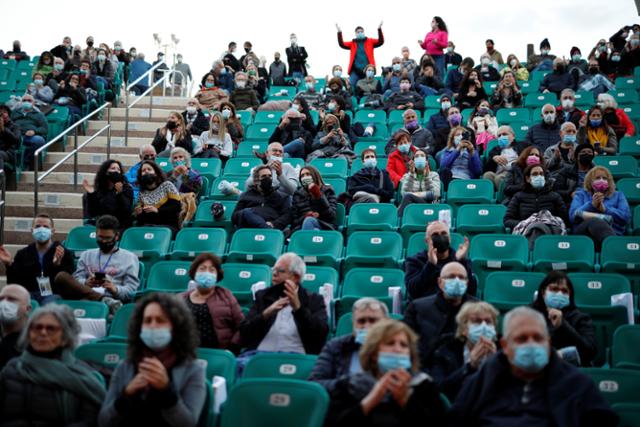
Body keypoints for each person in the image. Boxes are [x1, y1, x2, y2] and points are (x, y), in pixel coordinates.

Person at [449, 306, 618, 426]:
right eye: (521, 339)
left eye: (538, 338)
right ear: (505, 345)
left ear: (548, 342)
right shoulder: (485, 378)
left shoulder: (577, 383)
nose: (531, 344)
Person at [99, 293, 206, 427]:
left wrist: (165, 390)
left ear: (175, 327)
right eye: (147, 320)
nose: (153, 325)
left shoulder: (193, 369)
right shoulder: (125, 366)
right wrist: (126, 395)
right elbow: (104, 421)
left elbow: (188, 423)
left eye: (160, 320)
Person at [325, 319, 446, 427]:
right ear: (373, 353)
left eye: (403, 345)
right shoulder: (351, 386)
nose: (398, 349)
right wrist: (371, 400)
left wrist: (405, 399)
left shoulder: (424, 386)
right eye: (390, 343)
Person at [0, 304, 106, 425]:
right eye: (37, 327)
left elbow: (90, 421)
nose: (43, 333)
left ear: (66, 336)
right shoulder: (12, 370)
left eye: (51, 328)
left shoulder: (83, 375)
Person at [240, 253, 329, 355]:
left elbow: (320, 335)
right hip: (261, 355)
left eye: (280, 271)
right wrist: (266, 314)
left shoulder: (314, 300)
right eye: (274, 269)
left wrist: (298, 309)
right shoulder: (263, 296)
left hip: (297, 357)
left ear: (295, 277)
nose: (274, 273)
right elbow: (244, 333)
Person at [53, 215, 138, 309]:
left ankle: (105, 301)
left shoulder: (129, 258)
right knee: (61, 277)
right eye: (100, 237)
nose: (104, 241)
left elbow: (131, 291)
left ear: (117, 236)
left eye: (108, 238)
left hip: (113, 299)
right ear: (96, 234)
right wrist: (86, 282)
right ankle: (103, 299)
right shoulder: (86, 255)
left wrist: (114, 288)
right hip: (87, 296)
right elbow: (76, 279)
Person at [404, 261, 477, 367]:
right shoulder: (418, 308)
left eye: (461, 277)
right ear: (440, 282)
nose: (457, 281)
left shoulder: (477, 309)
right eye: (451, 277)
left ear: (467, 283)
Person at [310, 297, 389, 392]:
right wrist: (344, 384)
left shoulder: (397, 347)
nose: (367, 326)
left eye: (373, 321)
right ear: (353, 324)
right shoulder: (335, 346)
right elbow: (315, 383)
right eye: (361, 321)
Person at [426, 301, 499, 401]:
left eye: (488, 321)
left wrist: (497, 365)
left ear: (494, 328)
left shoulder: (506, 352)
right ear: (464, 329)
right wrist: (469, 367)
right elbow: (439, 388)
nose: (483, 326)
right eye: (477, 321)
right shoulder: (445, 351)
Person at [0, 214, 73, 304]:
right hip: (29, 294)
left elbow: (68, 284)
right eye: (38, 226)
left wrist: (56, 265)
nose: (41, 229)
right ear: (32, 230)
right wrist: (9, 264)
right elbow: (14, 284)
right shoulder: (23, 254)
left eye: (46, 226)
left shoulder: (63, 253)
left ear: (52, 231)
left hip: (53, 295)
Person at [531, 271, 597, 366]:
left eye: (564, 291)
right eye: (554, 289)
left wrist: (563, 325)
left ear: (570, 296)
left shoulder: (581, 318)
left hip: (568, 370)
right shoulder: (528, 314)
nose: (559, 294)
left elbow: (590, 351)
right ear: (543, 292)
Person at [181, 253, 243, 352]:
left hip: (220, 353)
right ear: (194, 273)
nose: (207, 273)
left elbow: (242, 326)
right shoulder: (181, 299)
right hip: (187, 354)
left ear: (217, 275)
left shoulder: (226, 296)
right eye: (202, 268)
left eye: (212, 270)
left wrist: (232, 348)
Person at [404, 221, 474, 300]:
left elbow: (471, 290)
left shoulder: (461, 260)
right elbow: (413, 291)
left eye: (444, 233)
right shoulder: (415, 261)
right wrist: (430, 265)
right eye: (435, 235)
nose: (440, 237)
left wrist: (461, 261)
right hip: (426, 307)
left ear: (449, 238)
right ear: (427, 241)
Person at [504, 164, 568, 247]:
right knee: (535, 228)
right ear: (527, 179)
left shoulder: (554, 196)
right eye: (535, 174)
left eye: (541, 174)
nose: (539, 176)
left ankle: (533, 254)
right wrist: (528, 223)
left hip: (551, 230)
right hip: (526, 231)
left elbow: (564, 219)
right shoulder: (518, 196)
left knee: (538, 227)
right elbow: (507, 220)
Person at [569, 166, 631, 251]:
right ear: (591, 181)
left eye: (604, 178)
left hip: (614, 233)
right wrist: (592, 205)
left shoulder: (618, 195)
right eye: (597, 178)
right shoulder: (581, 194)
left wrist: (605, 210)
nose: (601, 180)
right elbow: (573, 216)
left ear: (609, 182)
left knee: (595, 219)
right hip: (585, 236)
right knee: (594, 220)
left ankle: (613, 247)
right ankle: (617, 250)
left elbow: (625, 218)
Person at [232, 165, 291, 230]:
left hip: (273, 227)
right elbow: (234, 216)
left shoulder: (281, 196)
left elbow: (287, 215)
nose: (267, 178)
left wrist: (274, 223)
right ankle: (267, 229)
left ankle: (267, 229)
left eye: (270, 176)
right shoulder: (245, 196)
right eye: (264, 176)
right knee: (246, 212)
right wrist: (250, 213)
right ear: (256, 181)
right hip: (250, 229)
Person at [83, 159, 134, 229]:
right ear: (105, 172)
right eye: (113, 168)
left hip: (120, 226)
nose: (116, 171)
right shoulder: (100, 190)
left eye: (118, 169)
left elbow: (126, 212)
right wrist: (91, 194)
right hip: (102, 225)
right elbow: (93, 213)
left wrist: (120, 194)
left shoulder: (127, 188)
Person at [134, 161, 182, 232]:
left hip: (168, 227)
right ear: (140, 176)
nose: (146, 171)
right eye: (143, 171)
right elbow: (141, 220)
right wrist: (139, 214)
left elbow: (177, 207)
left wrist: (158, 210)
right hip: (148, 227)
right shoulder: (141, 193)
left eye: (149, 169)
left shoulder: (167, 185)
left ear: (156, 173)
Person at [337, 22, 385, 89]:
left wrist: (379, 29)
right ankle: (353, 99)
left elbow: (380, 41)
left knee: (370, 87)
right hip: (355, 70)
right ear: (355, 34)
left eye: (361, 31)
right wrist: (339, 32)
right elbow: (342, 44)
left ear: (364, 32)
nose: (360, 33)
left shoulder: (370, 41)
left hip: (368, 70)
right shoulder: (352, 43)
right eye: (358, 32)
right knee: (351, 86)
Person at [290, 165, 337, 231]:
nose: (305, 177)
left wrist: (318, 196)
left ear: (315, 175)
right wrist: (306, 216)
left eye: (308, 174)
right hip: (301, 227)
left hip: (324, 225)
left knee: (310, 222)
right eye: (302, 176)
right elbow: (294, 221)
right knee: (313, 227)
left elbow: (331, 217)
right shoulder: (298, 194)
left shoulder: (327, 190)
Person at [397, 149, 441, 216]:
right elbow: (404, 193)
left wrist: (427, 176)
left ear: (426, 161)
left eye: (422, 156)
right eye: (417, 156)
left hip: (428, 207)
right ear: (413, 161)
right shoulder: (407, 176)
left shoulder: (434, 175)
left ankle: (397, 220)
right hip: (412, 206)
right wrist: (411, 175)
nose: (419, 158)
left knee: (409, 196)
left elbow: (436, 194)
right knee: (408, 197)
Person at [483, 125, 527, 190]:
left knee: (499, 178)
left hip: (514, 173)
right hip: (498, 172)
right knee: (487, 175)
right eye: (499, 136)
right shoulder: (494, 150)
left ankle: (504, 198)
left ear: (513, 136)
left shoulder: (523, 145)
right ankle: (492, 197)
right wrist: (493, 158)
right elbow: (486, 169)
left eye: (504, 134)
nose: (502, 137)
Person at [11, 94, 47, 170]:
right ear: (20, 102)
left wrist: (34, 131)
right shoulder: (14, 113)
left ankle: (28, 163)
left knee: (39, 140)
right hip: (16, 136)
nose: (26, 102)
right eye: (24, 100)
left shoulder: (39, 114)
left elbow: (44, 128)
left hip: (30, 137)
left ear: (33, 103)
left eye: (29, 100)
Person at [439, 126, 482, 190]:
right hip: (451, 179)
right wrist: (457, 150)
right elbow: (443, 166)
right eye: (457, 135)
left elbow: (478, 171)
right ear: (453, 139)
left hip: (466, 180)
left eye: (462, 135)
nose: (460, 137)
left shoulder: (473, 151)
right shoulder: (448, 151)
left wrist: (472, 153)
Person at [0, 285, 32, 369]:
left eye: (11, 299)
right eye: (1, 299)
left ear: (28, 309)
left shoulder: (34, 342)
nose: (4, 303)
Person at [0, 105, 20, 172]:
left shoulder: (15, 126)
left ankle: (1, 179)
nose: (3, 115)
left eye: (4, 112)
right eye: (0, 113)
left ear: (8, 114)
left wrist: (3, 129)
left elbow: (16, 140)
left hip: (9, 153)